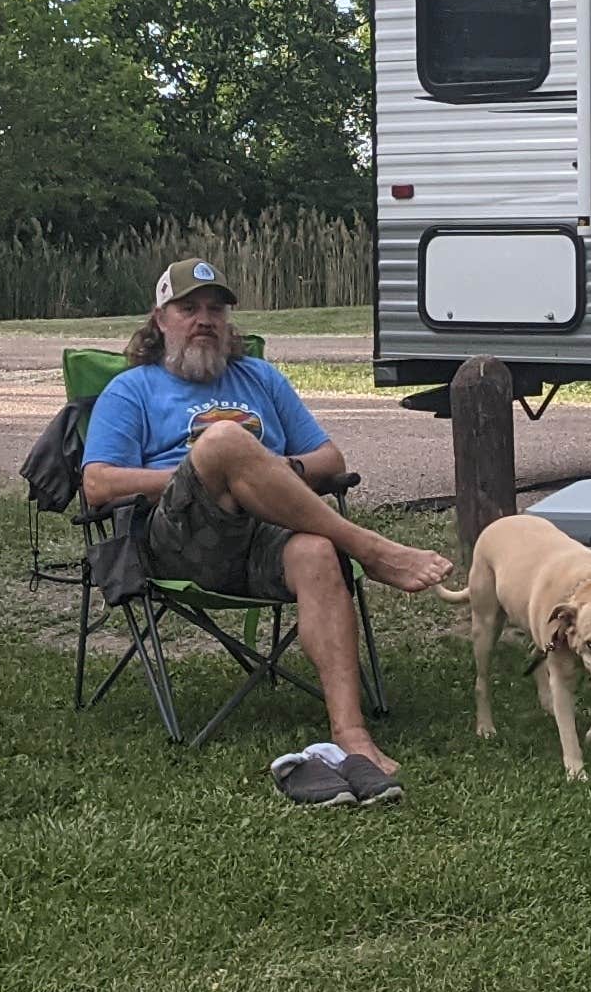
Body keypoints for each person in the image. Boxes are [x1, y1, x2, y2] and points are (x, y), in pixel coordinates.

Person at [81, 259, 452, 805]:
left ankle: (350, 734)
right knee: (223, 444)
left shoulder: (261, 378)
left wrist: (274, 476)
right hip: (181, 543)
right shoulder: (132, 390)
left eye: (215, 308)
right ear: (160, 319)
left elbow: (330, 457)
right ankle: (369, 547)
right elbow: (96, 484)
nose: (204, 319)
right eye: (189, 308)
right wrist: (206, 472)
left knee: (318, 552)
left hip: (267, 536)